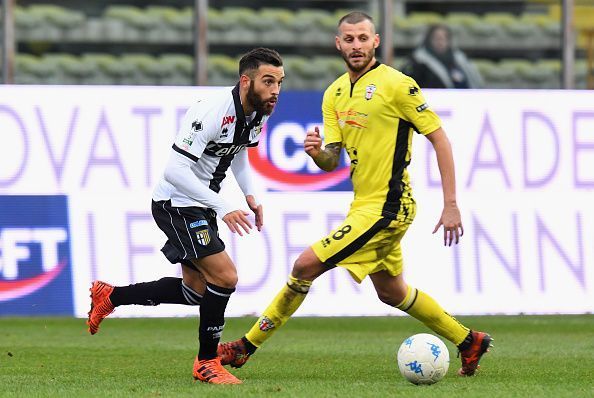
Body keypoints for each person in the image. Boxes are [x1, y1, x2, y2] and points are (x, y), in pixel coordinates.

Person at [218, 12, 492, 377]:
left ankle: (244, 347)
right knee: (392, 292)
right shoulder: (334, 93)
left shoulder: (398, 85)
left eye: (363, 38)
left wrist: (452, 203)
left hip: (389, 206)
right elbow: (332, 160)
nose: (356, 45)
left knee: (304, 266)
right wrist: (318, 153)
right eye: (349, 39)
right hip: (365, 205)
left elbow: (439, 138)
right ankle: (469, 341)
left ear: (375, 41)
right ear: (338, 44)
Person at [86, 47, 285, 385]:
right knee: (225, 278)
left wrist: (249, 195)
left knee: (196, 291)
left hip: (200, 203)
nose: (275, 90)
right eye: (268, 81)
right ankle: (206, 362)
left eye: (280, 82)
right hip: (176, 203)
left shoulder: (258, 111)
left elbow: (238, 154)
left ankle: (110, 295)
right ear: (245, 80)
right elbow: (175, 171)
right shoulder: (211, 112)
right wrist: (224, 206)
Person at [402, 24, 483, 89]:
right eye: (437, 38)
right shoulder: (418, 62)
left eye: (444, 38)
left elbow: (475, 82)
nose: (440, 42)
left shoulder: (459, 59)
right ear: (429, 40)